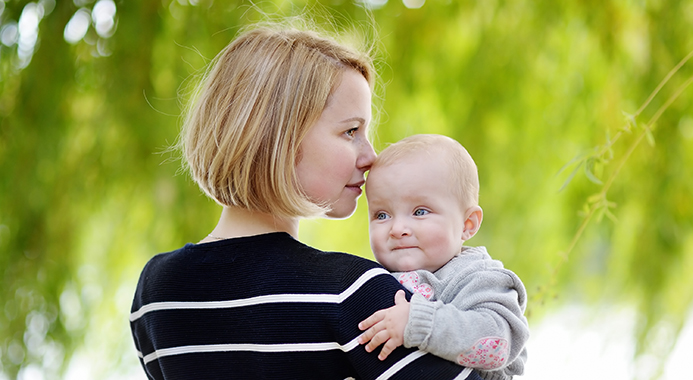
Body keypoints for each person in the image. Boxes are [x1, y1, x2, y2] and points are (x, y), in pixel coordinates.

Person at [129, 22, 485, 380]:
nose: (370, 156)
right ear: (279, 137)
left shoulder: (154, 293)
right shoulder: (353, 292)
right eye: (351, 132)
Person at [358, 134, 529, 380]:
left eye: (419, 212)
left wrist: (419, 322)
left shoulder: (478, 278)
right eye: (382, 215)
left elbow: (498, 345)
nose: (397, 229)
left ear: (467, 224)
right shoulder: (372, 279)